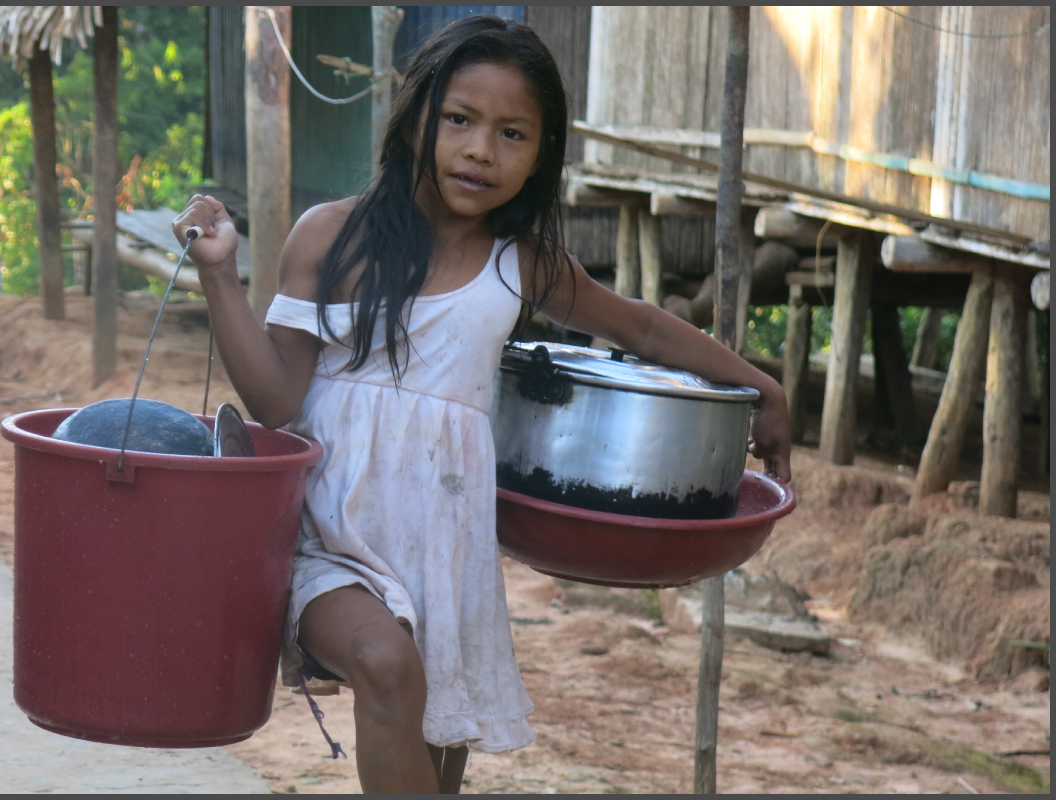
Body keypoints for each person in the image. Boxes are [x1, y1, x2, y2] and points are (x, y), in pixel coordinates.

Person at [173, 15, 791, 794]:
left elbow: (637, 325)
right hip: (322, 534)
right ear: (419, 116)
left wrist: (760, 387)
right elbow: (276, 399)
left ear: (541, 157)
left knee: (439, 760)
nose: (479, 150)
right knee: (386, 665)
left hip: (446, 548)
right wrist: (220, 275)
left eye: (512, 134)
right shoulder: (333, 237)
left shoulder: (519, 263)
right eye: (460, 120)